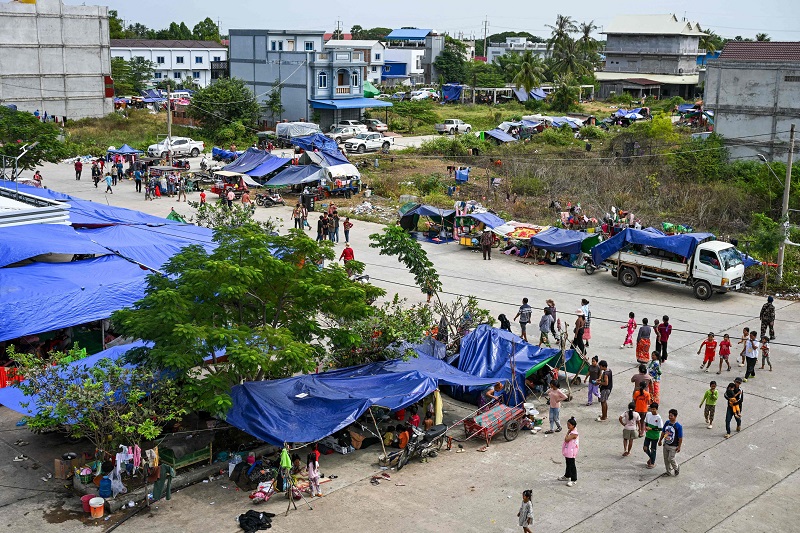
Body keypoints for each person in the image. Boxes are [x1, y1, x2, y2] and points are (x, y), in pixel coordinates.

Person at [659, 409, 683, 476]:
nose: (670, 417)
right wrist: (660, 440)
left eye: (671, 416)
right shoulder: (667, 423)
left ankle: (676, 467)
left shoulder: (678, 426)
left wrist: (679, 446)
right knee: (666, 459)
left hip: (673, 446)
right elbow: (664, 432)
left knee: (671, 458)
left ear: (675, 416)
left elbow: (680, 438)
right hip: (666, 444)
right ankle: (668, 472)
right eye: (669, 415)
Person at [558, 417, 579, 487]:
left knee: (572, 465)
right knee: (568, 463)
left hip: (571, 451)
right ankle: (567, 475)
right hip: (568, 450)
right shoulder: (572, 431)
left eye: (569, 425)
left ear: (573, 426)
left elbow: (566, 439)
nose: (568, 426)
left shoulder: (574, 434)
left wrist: (567, 433)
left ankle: (574, 479)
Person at [643, 402, 662, 469]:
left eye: (654, 409)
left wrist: (651, 428)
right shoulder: (648, 414)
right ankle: (651, 458)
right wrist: (646, 427)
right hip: (648, 435)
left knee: (653, 449)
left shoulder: (658, 418)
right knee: (645, 448)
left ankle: (652, 462)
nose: (652, 410)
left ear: (656, 409)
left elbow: (660, 428)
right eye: (651, 409)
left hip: (655, 436)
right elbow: (646, 422)